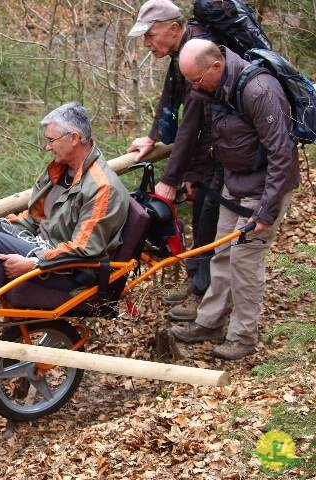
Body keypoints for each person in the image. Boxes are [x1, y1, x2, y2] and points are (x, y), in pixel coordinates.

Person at [0, 102, 130, 335]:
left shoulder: (102, 187)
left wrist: (34, 263)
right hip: (44, 246)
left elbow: (84, 249)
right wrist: (7, 225)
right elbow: (36, 217)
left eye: (51, 140)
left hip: (71, 271)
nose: (47, 147)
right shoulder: (61, 171)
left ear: (74, 138)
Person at [170, 39, 299, 360]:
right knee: (222, 253)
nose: (194, 87)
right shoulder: (214, 89)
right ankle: (210, 321)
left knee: (245, 259)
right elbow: (211, 140)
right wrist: (197, 177)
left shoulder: (260, 91)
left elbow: (282, 155)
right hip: (234, 183)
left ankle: (243, 335)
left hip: (268, 187)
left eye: (197, 80)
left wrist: (267, 211)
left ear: (216, 66)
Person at [126, 0, 222, 321]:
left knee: (209, 223)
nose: (146, 43)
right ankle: (197, 281)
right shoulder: (180, 53)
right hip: (206, 153)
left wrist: (171, 178)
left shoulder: (196, 52)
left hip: (220, 154)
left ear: (174, 29)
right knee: (200, 218)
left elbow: (192, 124)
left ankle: (202, 293)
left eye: (151, 35)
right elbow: (170, 99)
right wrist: (153, 138)